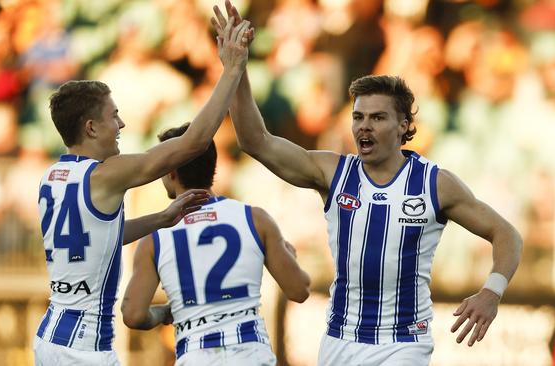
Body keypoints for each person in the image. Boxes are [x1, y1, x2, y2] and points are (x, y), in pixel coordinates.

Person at [212, 2, 523, 365]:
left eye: (377, 117)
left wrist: (492, 291)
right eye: (358, 116)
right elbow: (255, 141)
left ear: (405, 126)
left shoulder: (435, 184)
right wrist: (236, 70)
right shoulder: (333, 173)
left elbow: (507, 234)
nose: (364, 126)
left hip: (403, 343)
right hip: (340, 340)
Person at [33, 17, 253, 366]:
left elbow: (97, 237)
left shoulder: (53, 175)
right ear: (91, 127)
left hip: (51, 336)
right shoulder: (105, 175)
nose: (121, 124)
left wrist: (161, 219)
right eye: (114, 116)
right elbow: (193, 143)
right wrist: (232, 70)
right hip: (84, 348)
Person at [121, 123, 311, 366]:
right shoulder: (254, 219)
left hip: (196, 355)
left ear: (170, 172)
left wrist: (164, 312)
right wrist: (289, 255)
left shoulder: (155, 238)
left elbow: (133, 315)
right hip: (252, 354)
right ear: (213, 166)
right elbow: (299, 290)